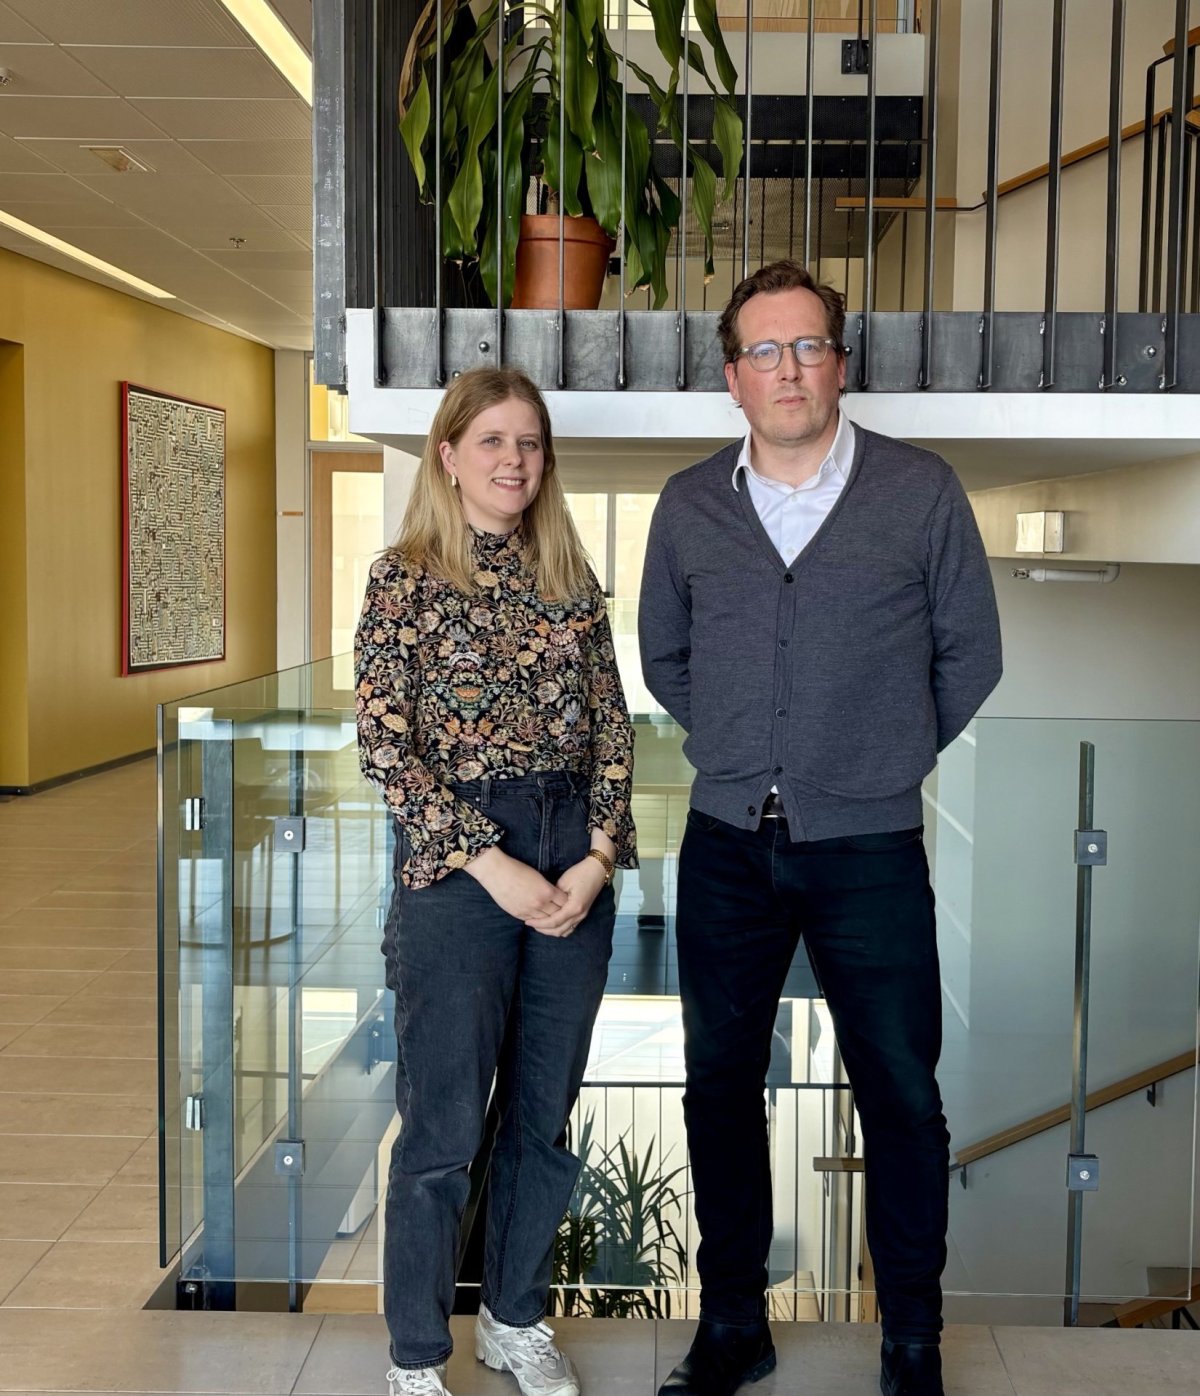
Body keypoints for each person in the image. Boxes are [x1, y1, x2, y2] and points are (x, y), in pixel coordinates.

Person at [638, 261, 1002, 1396]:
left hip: (871, 850)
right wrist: (748, 747)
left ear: (841, 364)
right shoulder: (689, 504)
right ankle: (733, 1326)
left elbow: (970, 655)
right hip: (726, 845)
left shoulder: (921, 492)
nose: (787, 369)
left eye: (807, 346)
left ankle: (911, 1340)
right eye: (764, 350)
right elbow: (665, 657)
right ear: (733, 378)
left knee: (902, 1094)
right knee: (718, 1086)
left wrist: (878, 760)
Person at [355, 366, 637, 1396]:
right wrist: (494, 866)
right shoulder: (404, 579)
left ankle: (515, 1321)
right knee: (442, 1130)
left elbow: (615, 731)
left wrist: (597, 859)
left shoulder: (571, 577)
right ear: (448, 456)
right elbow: (384, 746)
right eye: (492, 441)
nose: (514, 460)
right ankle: (417, 1356)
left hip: (573, 855)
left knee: (541, 1118)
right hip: (458, 870)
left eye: (529, 442)